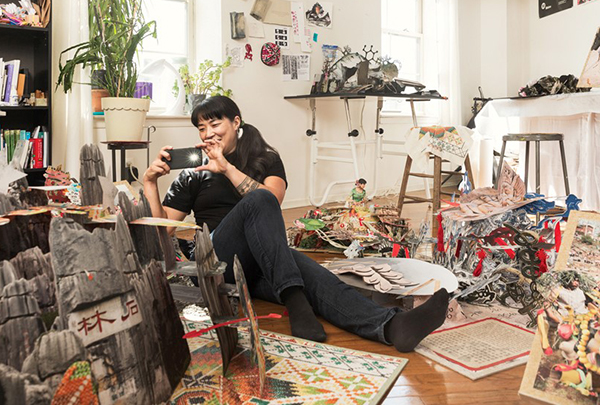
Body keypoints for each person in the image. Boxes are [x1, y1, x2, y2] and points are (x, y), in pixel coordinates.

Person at [142, 96, 449, 352]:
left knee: (318, 279)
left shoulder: (266, 160)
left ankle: (394, 327)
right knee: (266, 216)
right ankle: (295, 301)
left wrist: (228, 170)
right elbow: (163, 233)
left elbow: (272, 201)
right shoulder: (193, 174)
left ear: (236, 122)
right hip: (215, 265)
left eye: (215, 124)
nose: (208, 133)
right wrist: (150, 184)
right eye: (201, 128)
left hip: (263, 260)